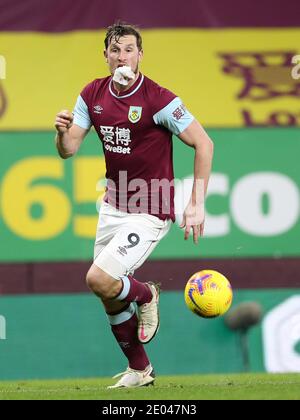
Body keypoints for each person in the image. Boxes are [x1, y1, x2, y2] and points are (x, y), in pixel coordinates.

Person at [54, 22, 214, 388]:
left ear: (140, 55)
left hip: (151, 206)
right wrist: (61, 133)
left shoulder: (159, 100)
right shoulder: (92, 93)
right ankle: (141, 371)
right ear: (106, 55)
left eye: (128, 49)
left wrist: (195, 203)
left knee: (100, 278)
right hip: (113, 205)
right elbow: (69, 150)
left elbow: (204, 144)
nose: (121, 56)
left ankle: (148, 293)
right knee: (107, 292)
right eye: (115, 50)